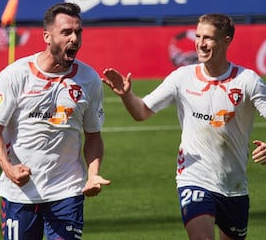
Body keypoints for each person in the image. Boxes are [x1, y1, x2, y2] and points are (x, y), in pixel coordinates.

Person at [102, 13, 266, 240]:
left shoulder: (247, 81)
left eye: (208, 37)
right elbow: (142, 112)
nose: (200, 43)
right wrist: (127, 95)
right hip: (193, 178)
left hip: (234, 186)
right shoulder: (182, 77)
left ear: (226, 40)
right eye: (198, 36)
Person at [0, 2, 110, 240]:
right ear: (47, 37)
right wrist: (8, 169)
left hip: (67, 191)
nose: (74, 39)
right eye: (66, 32)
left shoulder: (89, 79)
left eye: (78, 32)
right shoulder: (15, 75)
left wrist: (93, 173)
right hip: (20, 194)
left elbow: (93, 134)